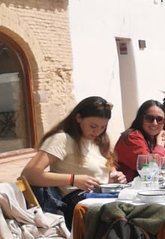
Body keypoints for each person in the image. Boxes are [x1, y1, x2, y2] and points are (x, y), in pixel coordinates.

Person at [22, 96, 126, 224]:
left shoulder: (100, 142)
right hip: (79, 204)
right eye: (93, 126)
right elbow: (29, 174)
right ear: (78, 118)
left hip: (102, 198)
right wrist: (73, 179)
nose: (97, 131)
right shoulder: (62, 139)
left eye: (102, 127)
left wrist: (115, 177)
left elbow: (108, 170)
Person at [114, 99, 165, 181]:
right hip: (131, 189)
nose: (155, 123)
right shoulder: (132, 136)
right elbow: (149, 169)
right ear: (141, 119)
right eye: (149, 118)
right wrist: (160, 145)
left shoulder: (157, 136)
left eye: (159, 119)